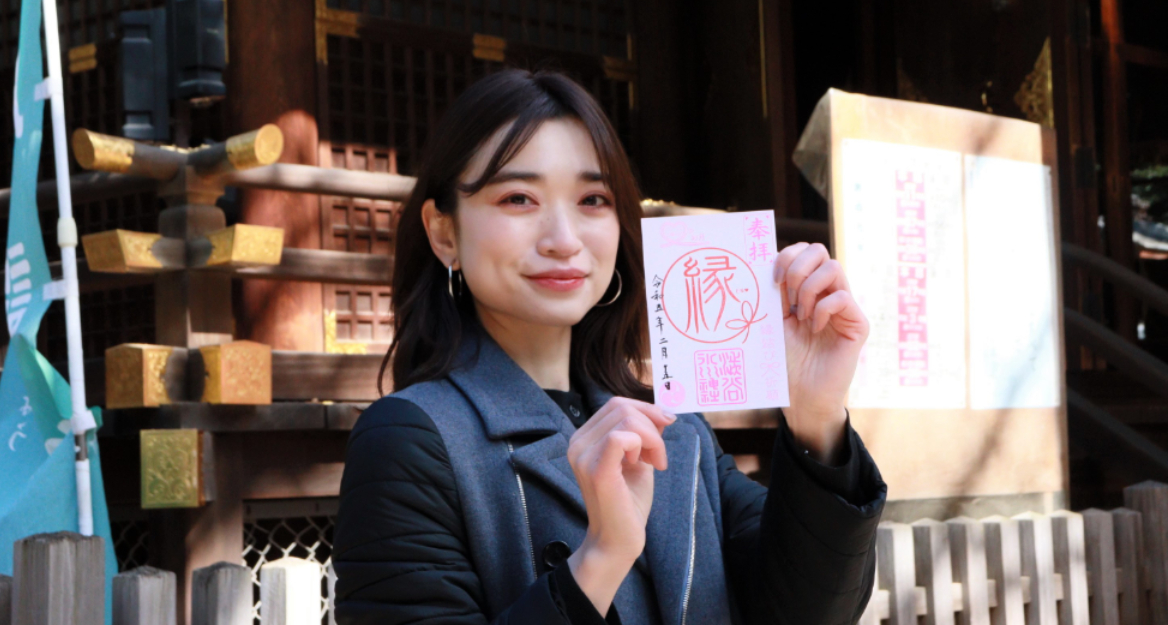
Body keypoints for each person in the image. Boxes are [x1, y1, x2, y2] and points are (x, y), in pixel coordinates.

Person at [333, 69, 886, 625]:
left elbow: (807, 613)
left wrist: (816, 417)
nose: (564, 239)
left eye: (592, 199)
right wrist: (599, 560)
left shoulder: (677, 430)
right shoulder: (410, 441)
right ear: (444, 233)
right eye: (519, 198)